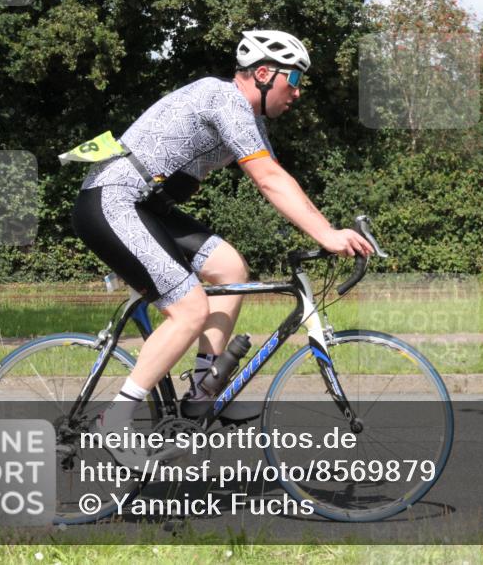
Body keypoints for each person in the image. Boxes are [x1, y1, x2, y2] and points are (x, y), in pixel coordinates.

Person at [71, 30, 372, 465]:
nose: (298, 91)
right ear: (264, 74)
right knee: (189, 309)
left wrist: (323, 230)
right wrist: (326, 234)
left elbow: (278, 178)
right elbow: (269, 181)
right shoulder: (223, 98)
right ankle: (114, 420)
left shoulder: (250, 120)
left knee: (230, 268)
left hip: (146, 207)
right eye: (293, 78)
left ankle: (203, 390)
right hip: (113, 200)